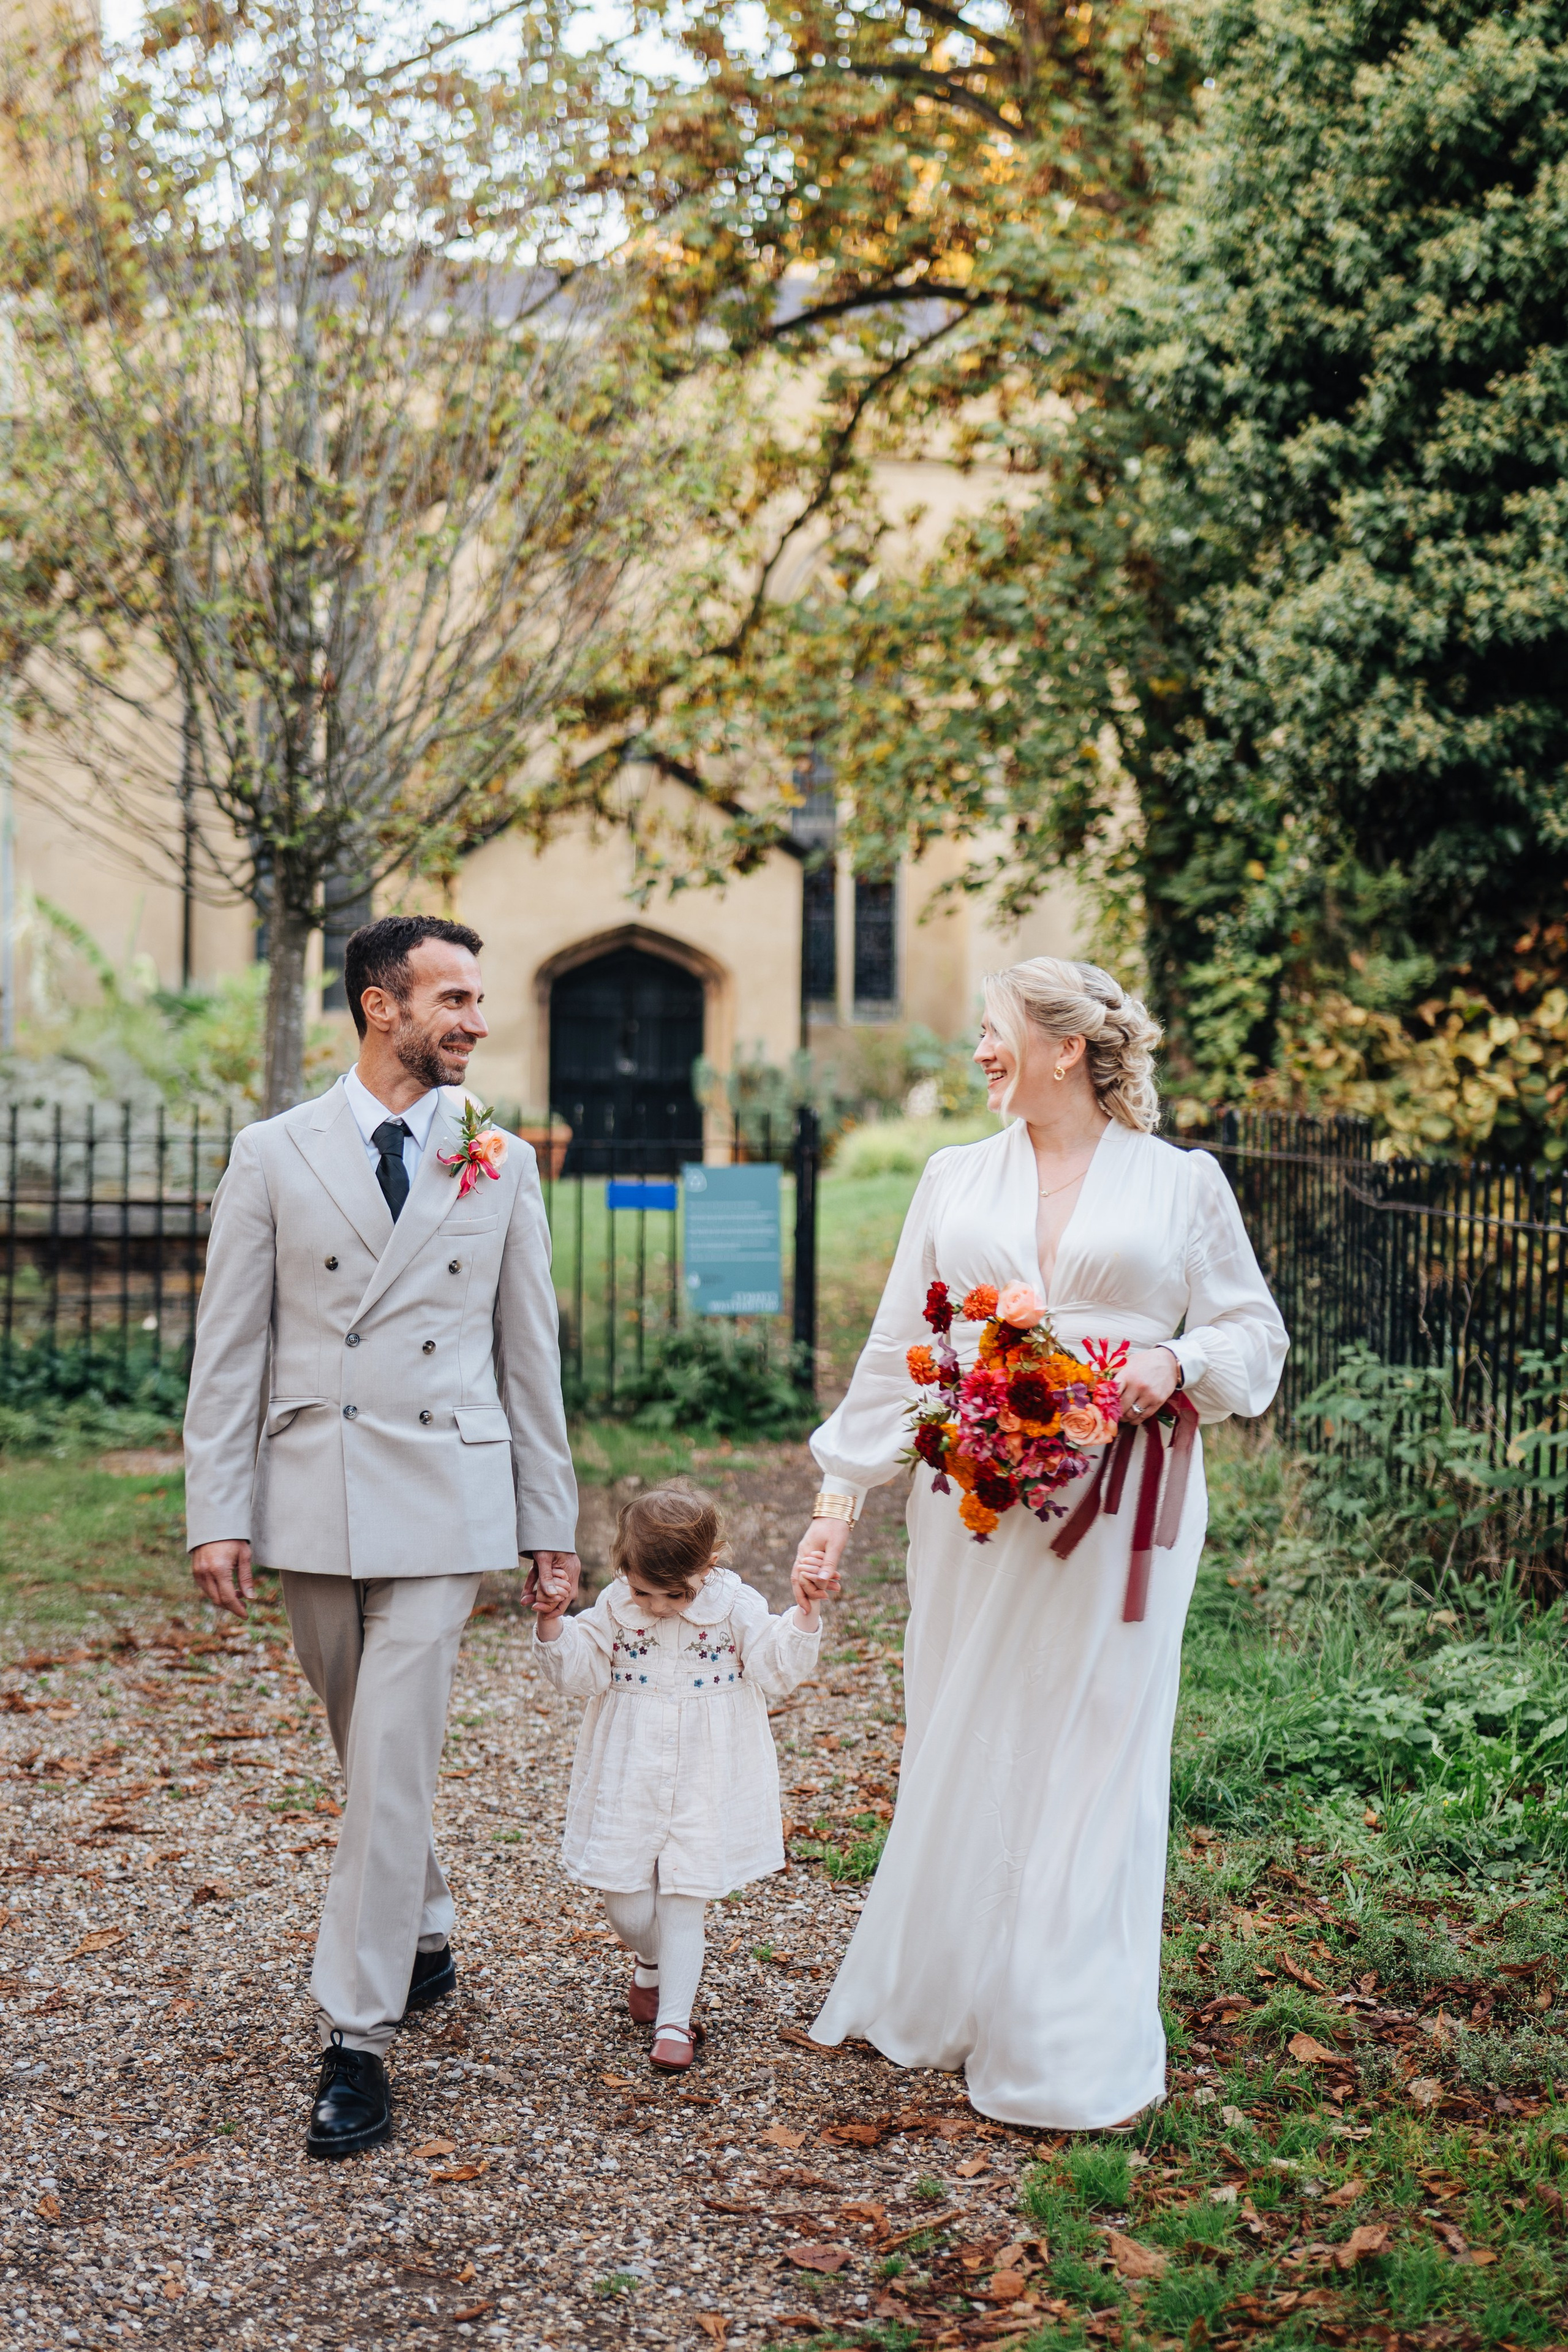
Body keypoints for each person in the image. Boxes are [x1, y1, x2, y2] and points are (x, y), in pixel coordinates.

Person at [793, 956, 1287, 2130]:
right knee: (968, 1715)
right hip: (975, 1495)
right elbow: (892, 1351)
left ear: (1067, 1047)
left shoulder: (1181, 1183)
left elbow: (1252, 1336)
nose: (978, 1049)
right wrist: (836, 1501)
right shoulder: (954, 1176)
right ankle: (958, 1987)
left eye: (996, 1029)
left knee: (1099, 1734)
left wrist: (1176, 1359)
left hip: (1125, 1499)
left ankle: (1061, 2026)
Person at [183, 912, 579, 2158]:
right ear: (379, 1005)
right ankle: (424, 1930)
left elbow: (530, 1356)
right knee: (368, 1750)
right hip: (313, 1489)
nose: (477, 1022)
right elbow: (230, 1348)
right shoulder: (274, 1153)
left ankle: (354, 2037)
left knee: (394, 1748)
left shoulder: (501, 1161)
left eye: (478, 1000)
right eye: (453, 1000)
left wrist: (549, 1524)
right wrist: (217, 1510)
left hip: (447, 1495)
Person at [532, 1487, 833, 2071]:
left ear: (708, 1565)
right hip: (630, 1767)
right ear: (623, 1568)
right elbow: (581, 1673)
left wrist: (804, 1614)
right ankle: (650, 1963)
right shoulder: (616, 1606)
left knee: (683, 1897)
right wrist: (552, 1622)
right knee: (627, 1907)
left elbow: (776, 1668)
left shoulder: (734, 1605)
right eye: (645, 1591)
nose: (660, 1606)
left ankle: (673, 2021)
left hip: (707, 1769)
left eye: (677, 1594)